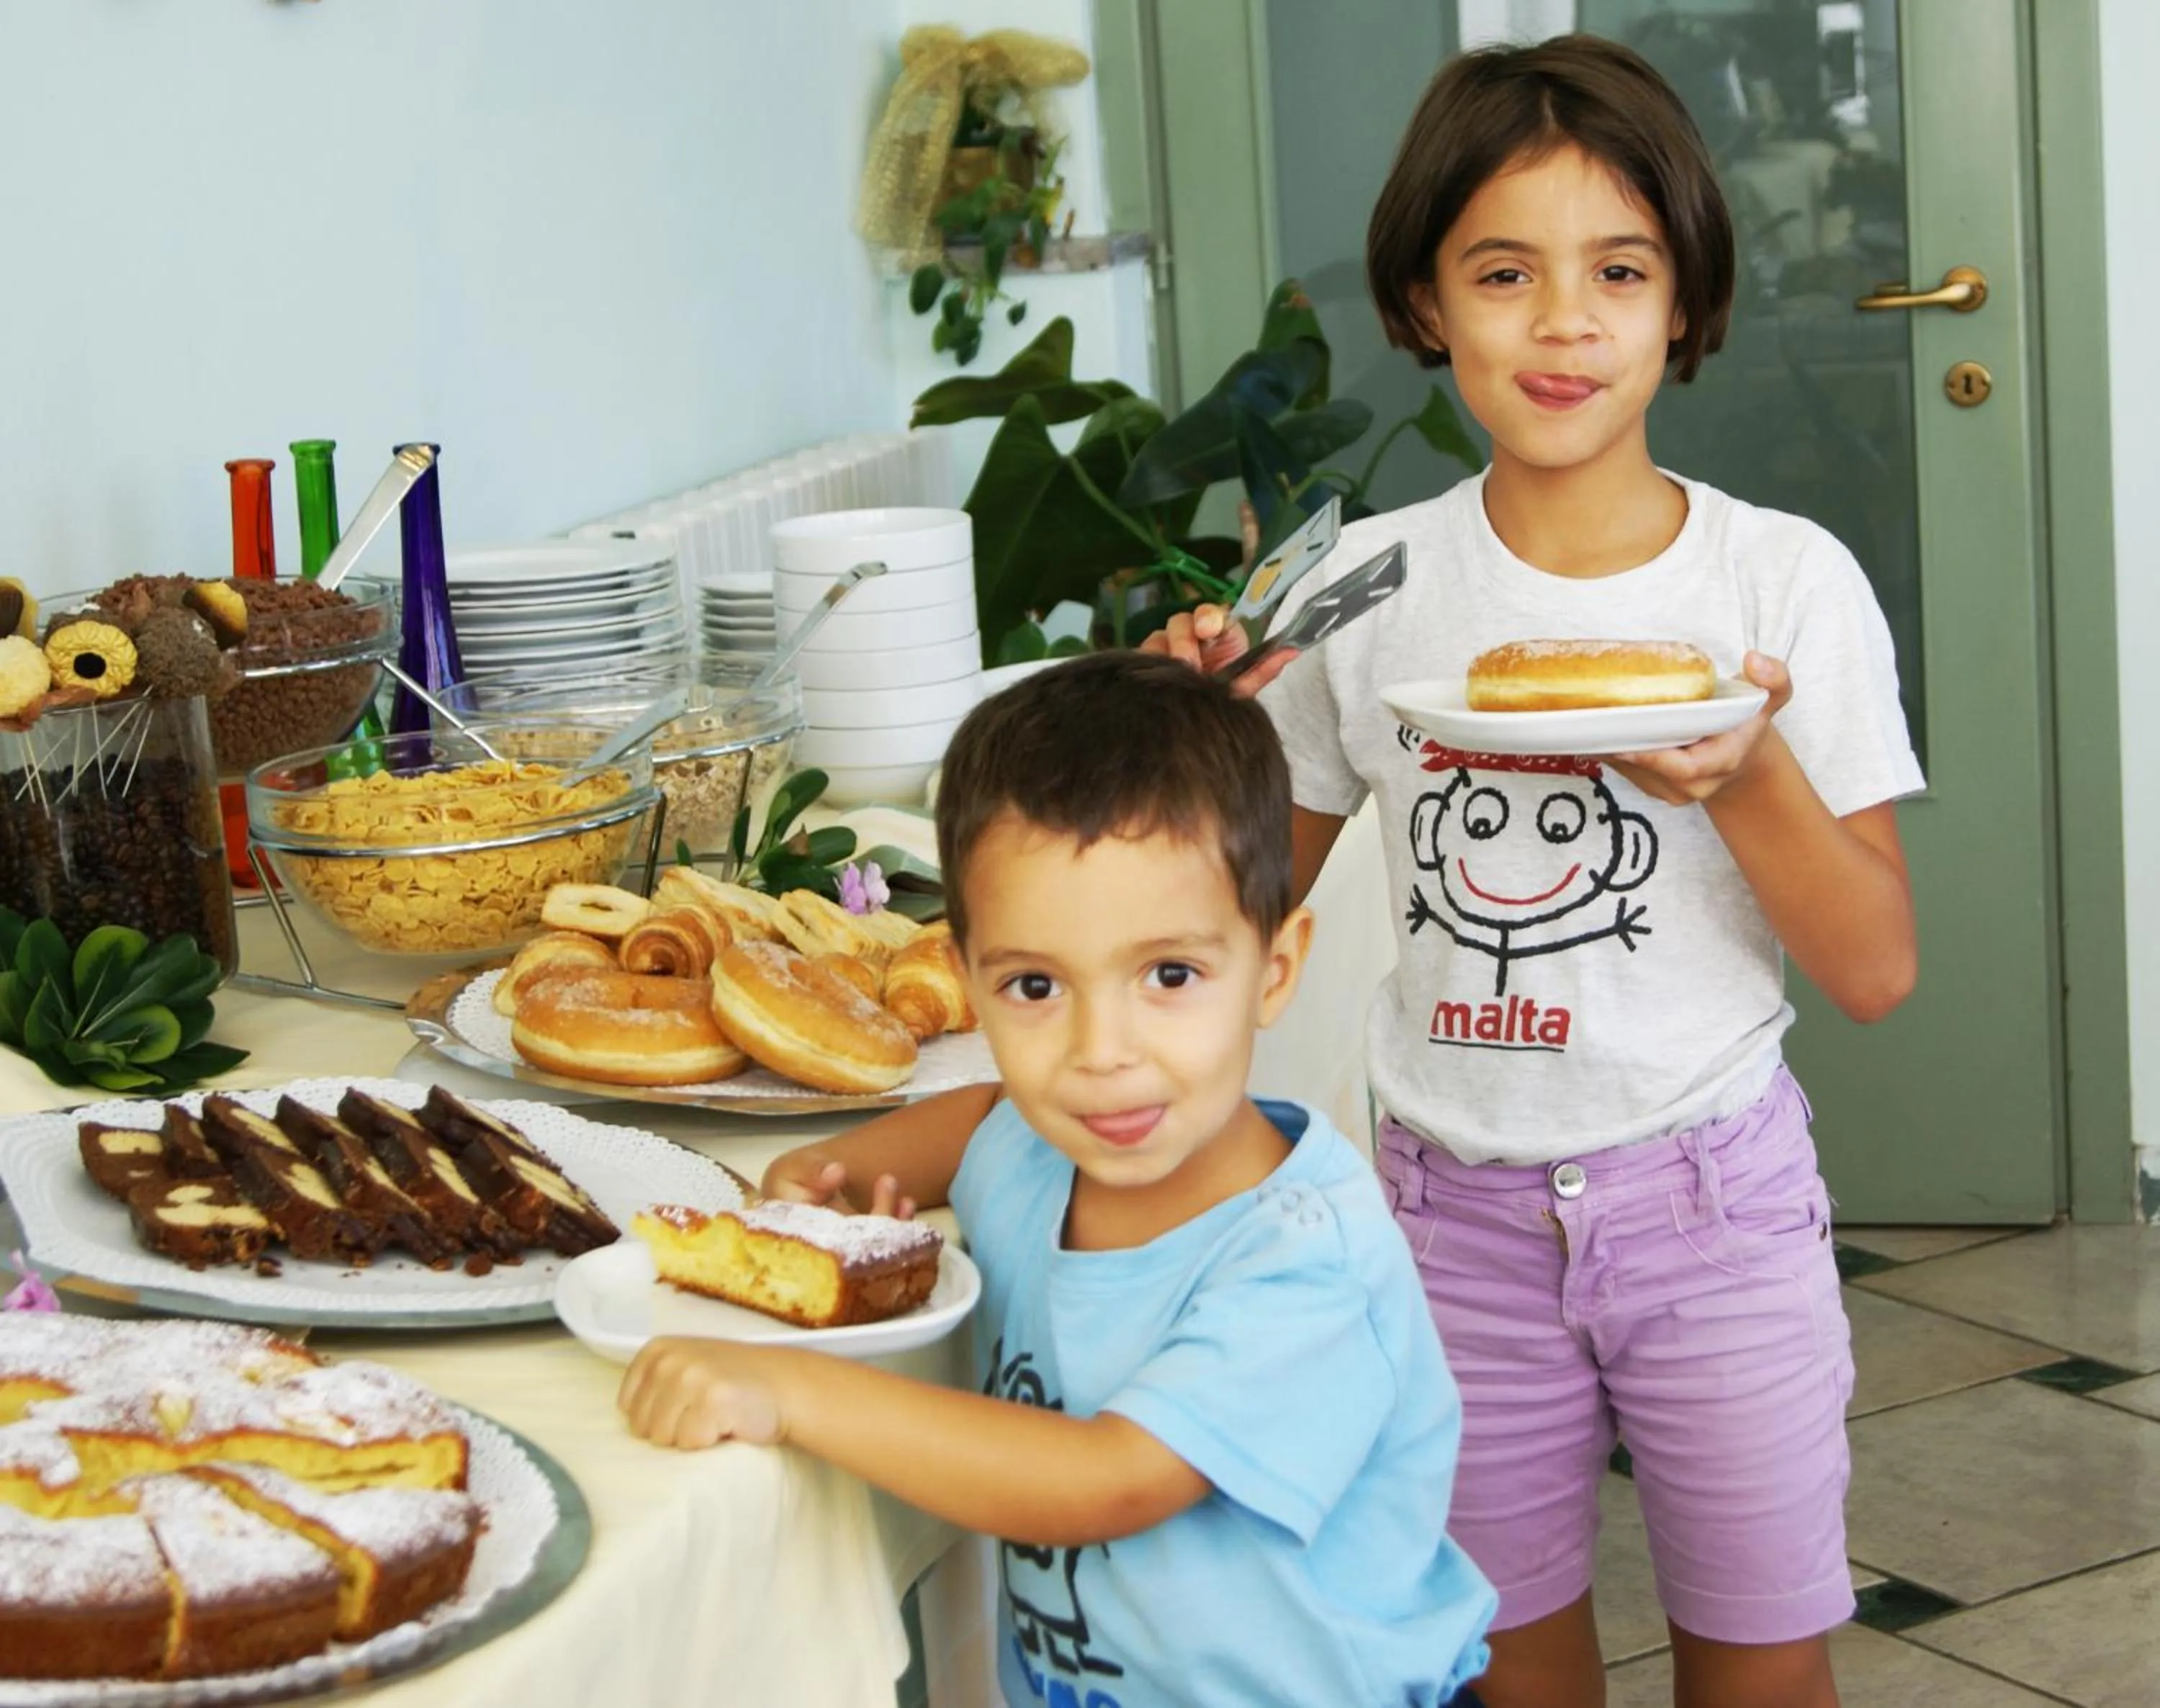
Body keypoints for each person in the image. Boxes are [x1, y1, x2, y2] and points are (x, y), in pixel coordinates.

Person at [1148, 33, 1920, 1708]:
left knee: (1765, 1669)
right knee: (1502, 1664)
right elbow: (1228, 917)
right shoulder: (1363, 585)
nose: (1564, 321)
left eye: (1618, 270)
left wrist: (1750, 767)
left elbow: (1872, 969)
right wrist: (1186, 738)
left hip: (1715, 1209)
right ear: (1428, 303)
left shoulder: (1780, 588)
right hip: (1447, 1220)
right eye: (1505, 272)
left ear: (1683, 301)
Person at [619, 652, 1498, 1708]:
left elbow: (1107, 1478)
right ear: (971, 977)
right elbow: (988, 1114)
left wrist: (790, 1390)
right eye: (1035, 985)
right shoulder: (1042, 1151)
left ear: (1275, 971)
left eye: (1169, 976)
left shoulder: (1306, 1259)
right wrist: (831, 1167)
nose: (1100, 1051)